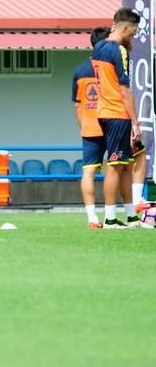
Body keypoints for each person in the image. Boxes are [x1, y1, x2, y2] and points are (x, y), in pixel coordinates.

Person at [91, 7, 142, 229]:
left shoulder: (99, 47)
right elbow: (124, 90)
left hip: (104, 111)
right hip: (117, 113)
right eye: (134, 31)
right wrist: (135, 122)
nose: (135, 35)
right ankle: (110, 218)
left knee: (124, 164)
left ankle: (131, 216)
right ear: (127, 27)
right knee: (114, 165)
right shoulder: (118, 51)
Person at [72, 27, 110, 229]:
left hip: (89, 128)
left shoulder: (80, 70)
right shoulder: (112, 66)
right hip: (113, 124)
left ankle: (92, 218)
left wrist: (83, 125)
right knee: (117, 168)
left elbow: (77, 104)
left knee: (88, 172)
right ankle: (115, 214)